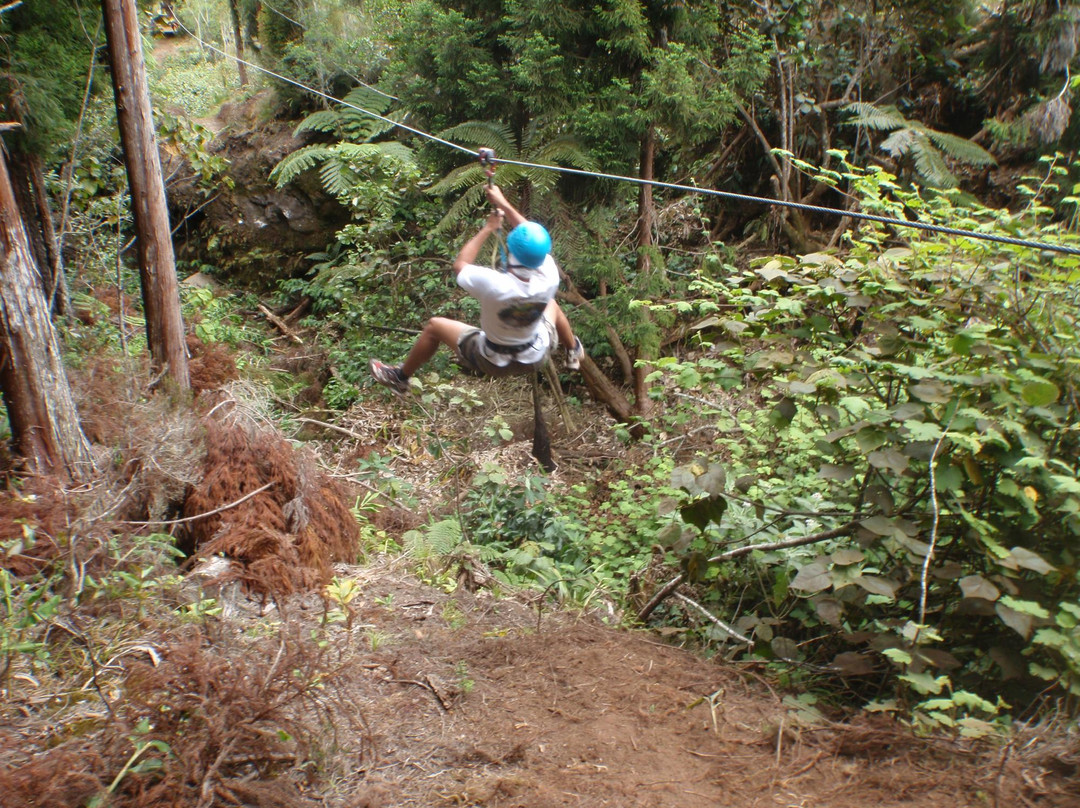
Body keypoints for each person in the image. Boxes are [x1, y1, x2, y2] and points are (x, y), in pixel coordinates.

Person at [369, 184, 584, 394]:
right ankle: (573, 349)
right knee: (552, 305)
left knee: (435, 326)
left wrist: (488, 228)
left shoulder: (494, 284)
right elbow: (532, 241)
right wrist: (504, 203)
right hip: (535, 356)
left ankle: (400, 378)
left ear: (511, 254)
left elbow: (459, 266)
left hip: (491, 360)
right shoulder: (549, 276)